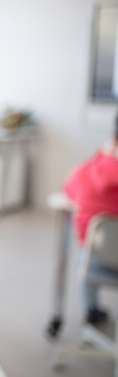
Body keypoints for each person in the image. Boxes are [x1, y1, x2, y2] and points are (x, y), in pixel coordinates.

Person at [64, 113, 118, 324]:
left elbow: (68, 189)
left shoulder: (89, 171)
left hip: (95, 261)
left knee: (85, 246)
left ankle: (91, 310)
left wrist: (103, 156)